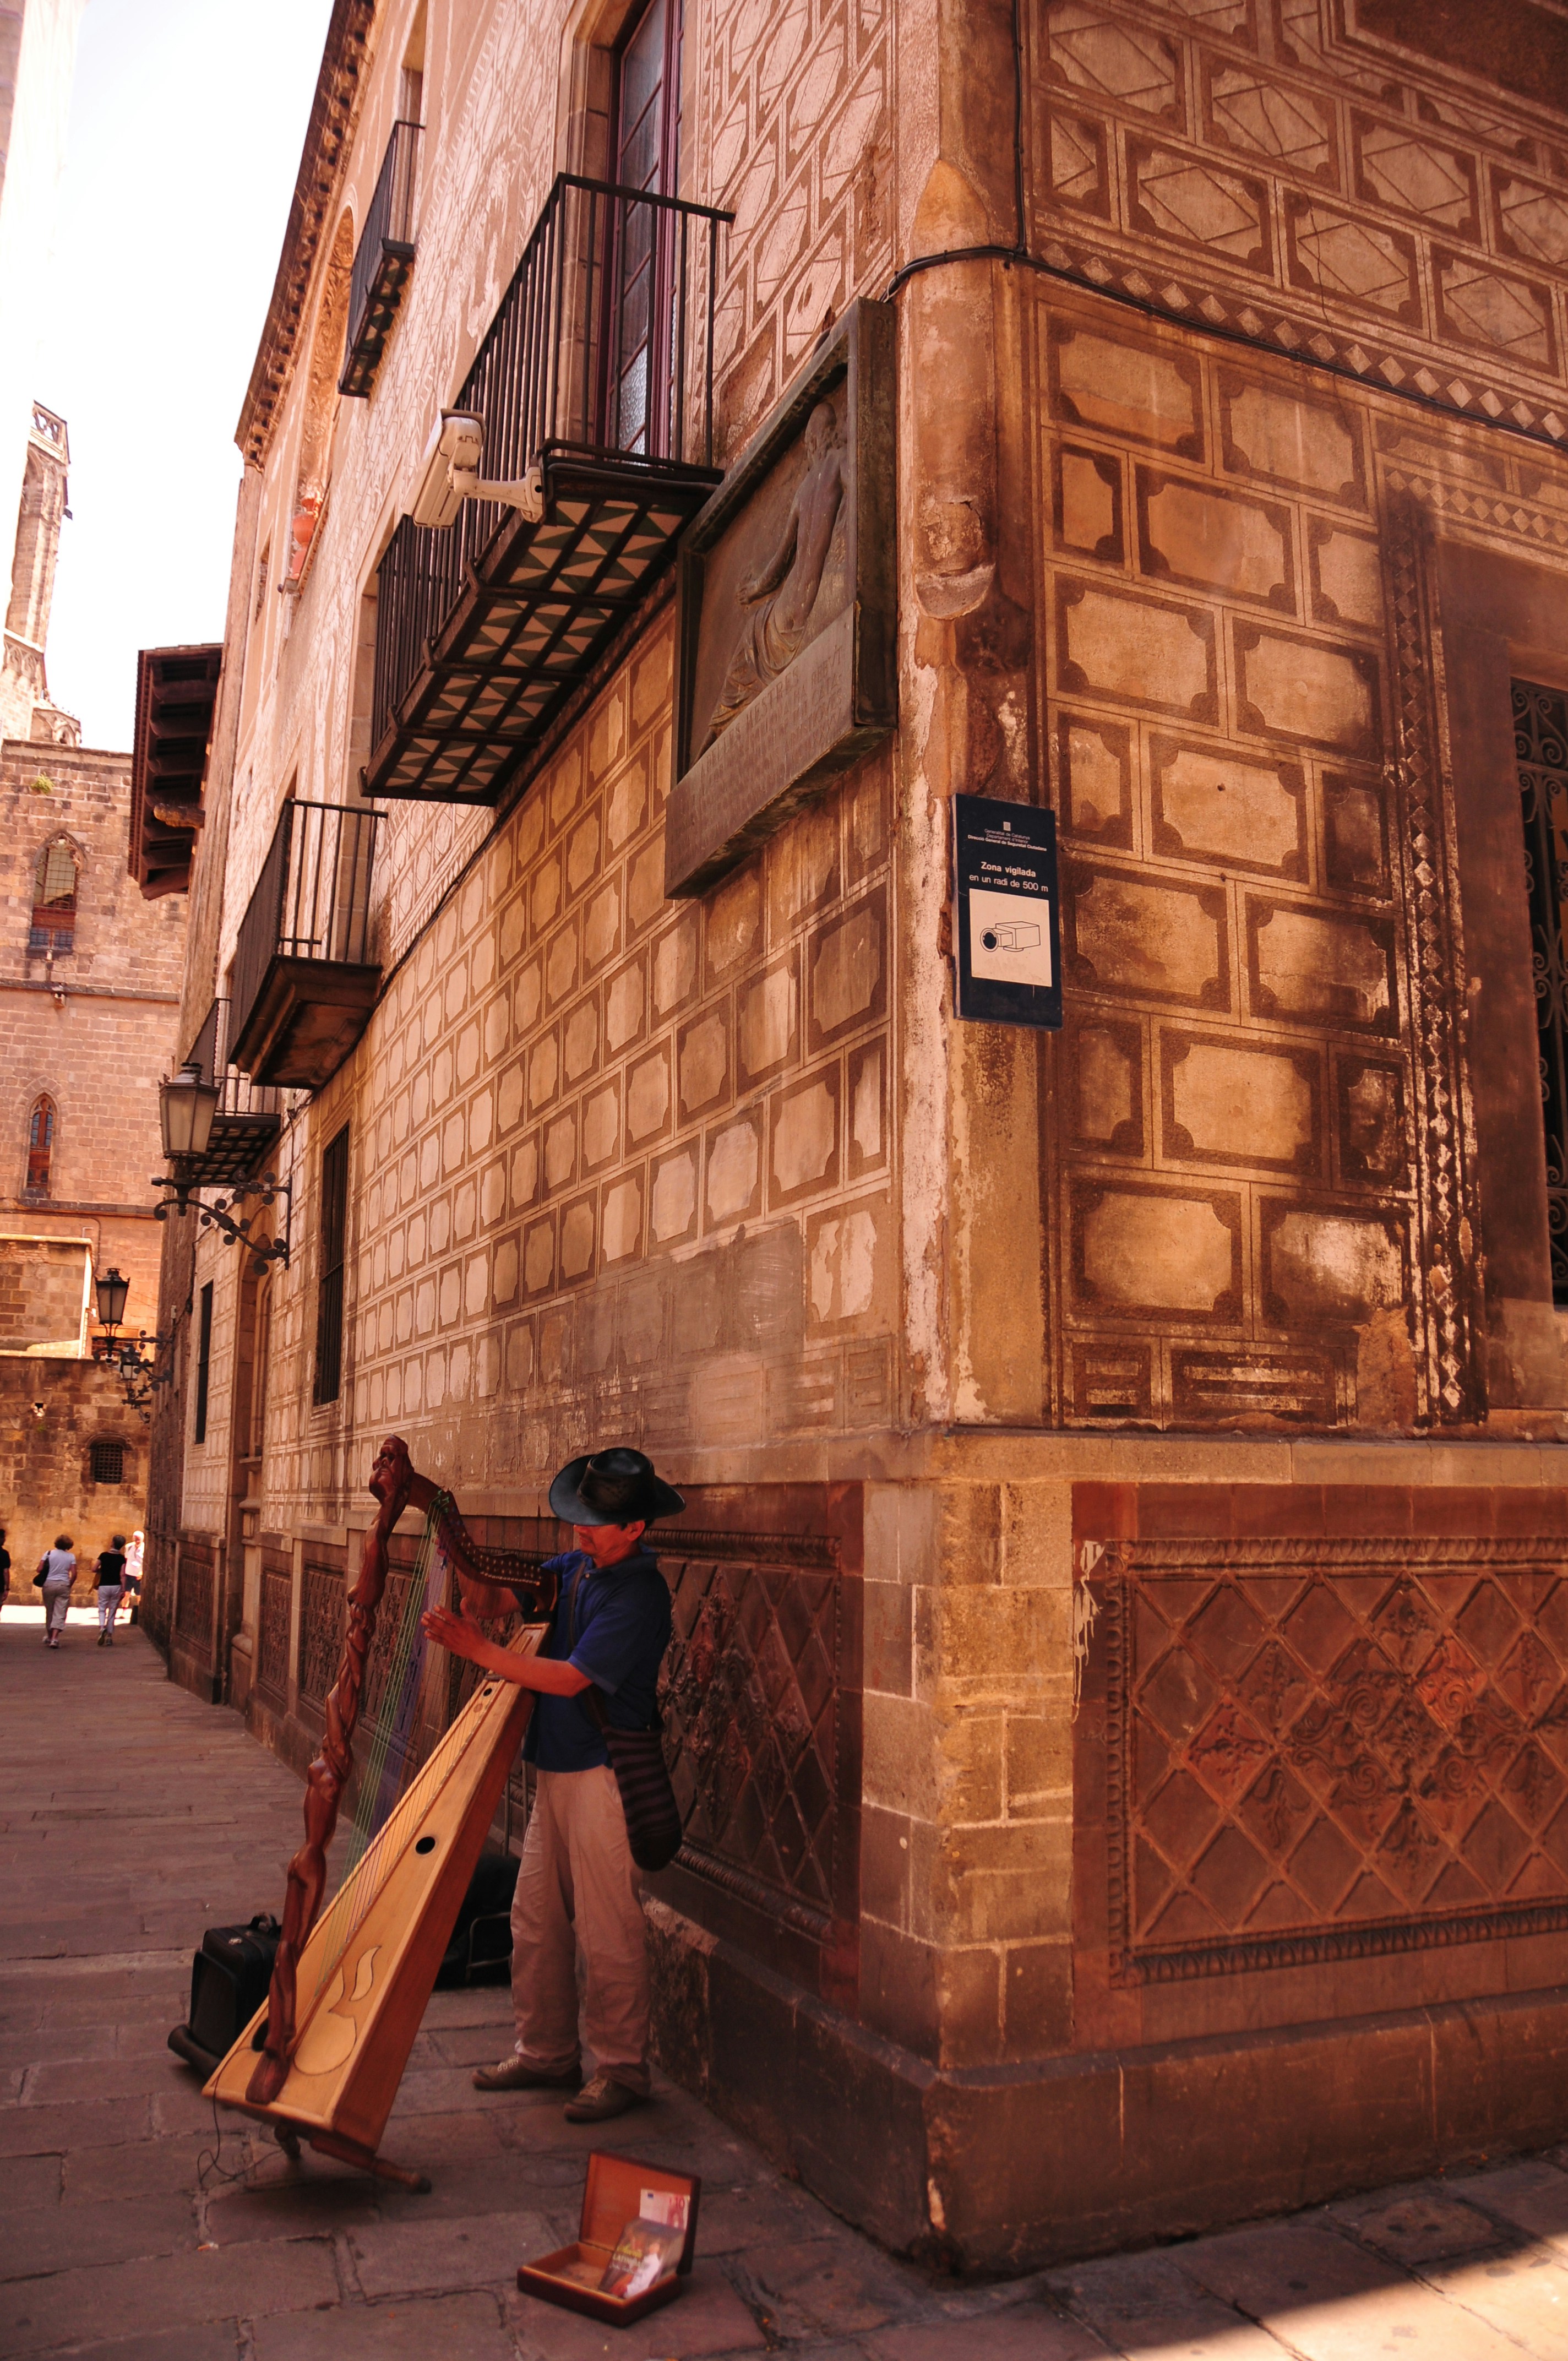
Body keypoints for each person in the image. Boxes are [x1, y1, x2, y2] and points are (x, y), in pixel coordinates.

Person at [421, 1445, 683, 2125]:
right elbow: (493, 1599)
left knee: (608, 1930)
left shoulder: (639, 1593)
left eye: (597, 1521)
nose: (581, 1529)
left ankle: (623, 2067)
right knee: (533, 1921)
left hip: (604, 1776)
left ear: (637, 1528)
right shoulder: (572, 1570)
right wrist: (456, 1555)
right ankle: (545, 2052)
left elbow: (570, 1678)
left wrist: (477, 1651)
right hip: (555, 1770)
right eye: (580, 1515)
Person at [38, 1535, 74, 1650]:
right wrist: (69, 1584)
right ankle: (55, 1638)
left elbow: (39, 1569)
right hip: (63, 1585)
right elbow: (74, 1573)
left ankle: (49, 1636)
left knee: (50, 1611)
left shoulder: (48, 1554)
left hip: (49, 1584)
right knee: (60, 1612)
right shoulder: (71, 1557)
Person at [95, 1535, 128, 1647]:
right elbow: (122, 1574)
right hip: (116, 1586)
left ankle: (101, 1628)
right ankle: (109, 1636)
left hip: (104, 1585)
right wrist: (123, 1589)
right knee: (112, 1611)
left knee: (102, 1608)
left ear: (113, 1543)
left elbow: (94, 1568)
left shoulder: (104, 1556)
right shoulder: (122, 1559)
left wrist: (102, 1569)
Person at [119, 1530, 144, 1626]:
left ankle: (139, 1613)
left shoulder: (144, 1548)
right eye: (136, 1539)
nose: (137, 1541)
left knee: (139, 1595)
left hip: (139, 1574)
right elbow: (126, 1559)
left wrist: (142, 1573)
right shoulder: (129, 1547)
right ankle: (124, 1611)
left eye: (139, 1539)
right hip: (129, 1573)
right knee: (127, 1593)